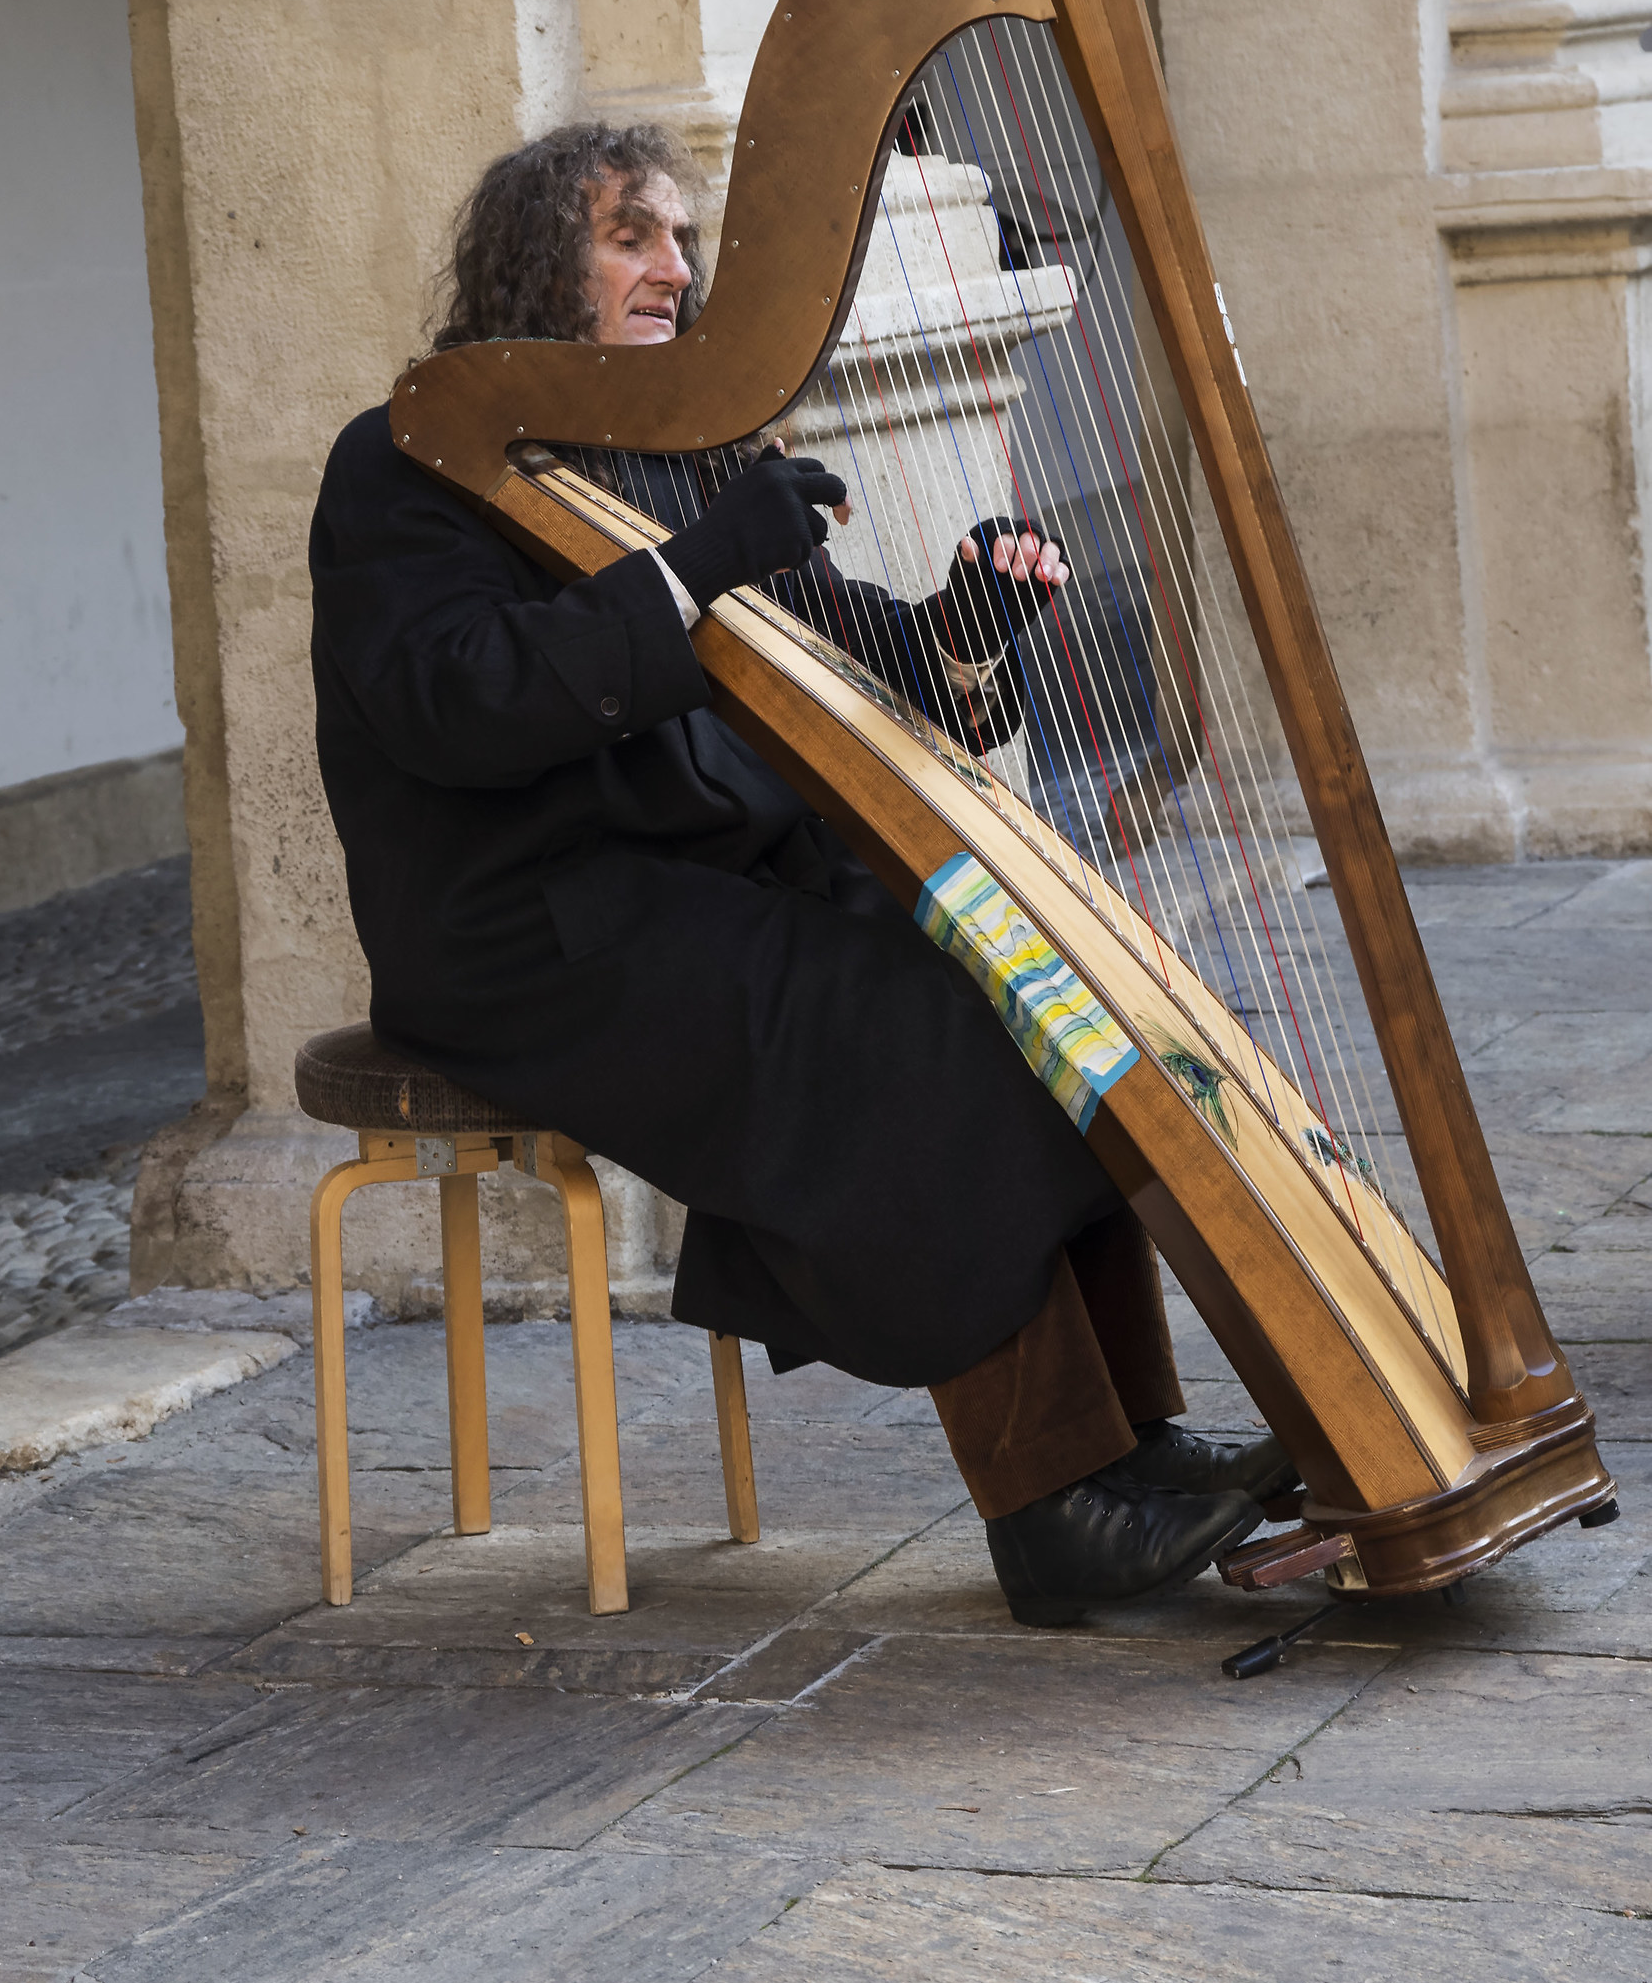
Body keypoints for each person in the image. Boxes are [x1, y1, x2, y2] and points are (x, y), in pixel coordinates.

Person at [307, 122, 1293, 1625]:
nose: (675, 268)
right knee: (906, 1026)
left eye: (685, 242)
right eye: (634, 235)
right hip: (532, 930)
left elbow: (850, 660)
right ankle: (1050, 1510)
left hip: (697, 890)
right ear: (534, 259)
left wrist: (965, 628)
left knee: (1031, 986)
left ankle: (1131, 1451)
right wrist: (693, 566)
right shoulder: (410, 464)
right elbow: (459, 699)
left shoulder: (680, 445)